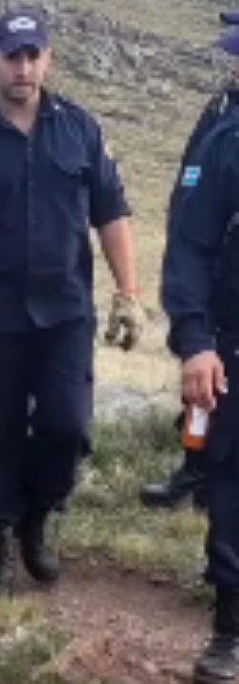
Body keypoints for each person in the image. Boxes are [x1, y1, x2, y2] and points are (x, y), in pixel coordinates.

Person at [0, 8, 145, 596]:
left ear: (47, 59)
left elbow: (110, 212)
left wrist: (129, 294)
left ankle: (37, 518)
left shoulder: (80, 129)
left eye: (32, 55)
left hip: (64, 310)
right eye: (11, 55)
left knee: (66, 424)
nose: (23, 67)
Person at [140, 10, 239, 510]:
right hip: (212, 271)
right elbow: (191, 171)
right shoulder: (221, 109)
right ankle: (195, 470)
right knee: (204, 391)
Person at [160, 89, 239, 684]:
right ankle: (230, 628)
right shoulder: (225, 145)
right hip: (232, 346)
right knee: (232, 488)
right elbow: (189, 248)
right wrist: (196, 341)